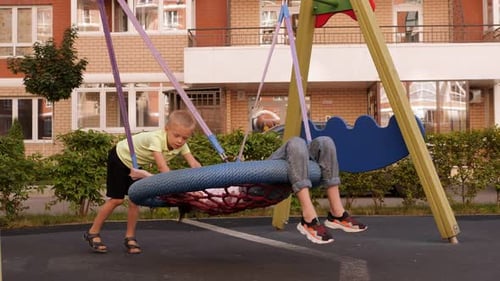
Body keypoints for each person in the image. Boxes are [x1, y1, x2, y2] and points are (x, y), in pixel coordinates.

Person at [84, 110, 201, 254]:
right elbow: (162, 167)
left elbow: (194, 164)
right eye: (176, 136)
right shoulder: (156, 139)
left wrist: (202, 181)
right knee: (117, 199)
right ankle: (93, 232)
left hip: (135, 164)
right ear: (166, 129)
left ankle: (130, 237)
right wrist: (175, 186)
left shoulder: (182, 145)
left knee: (135, 199)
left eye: (185, 138)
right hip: (120, 157)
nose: (180, 141)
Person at [268, 136, 367, 244]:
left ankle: (337, 213)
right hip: (261, 178)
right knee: (296, 142)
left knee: (325, 142)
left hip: (293, 170)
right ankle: (308, 218)